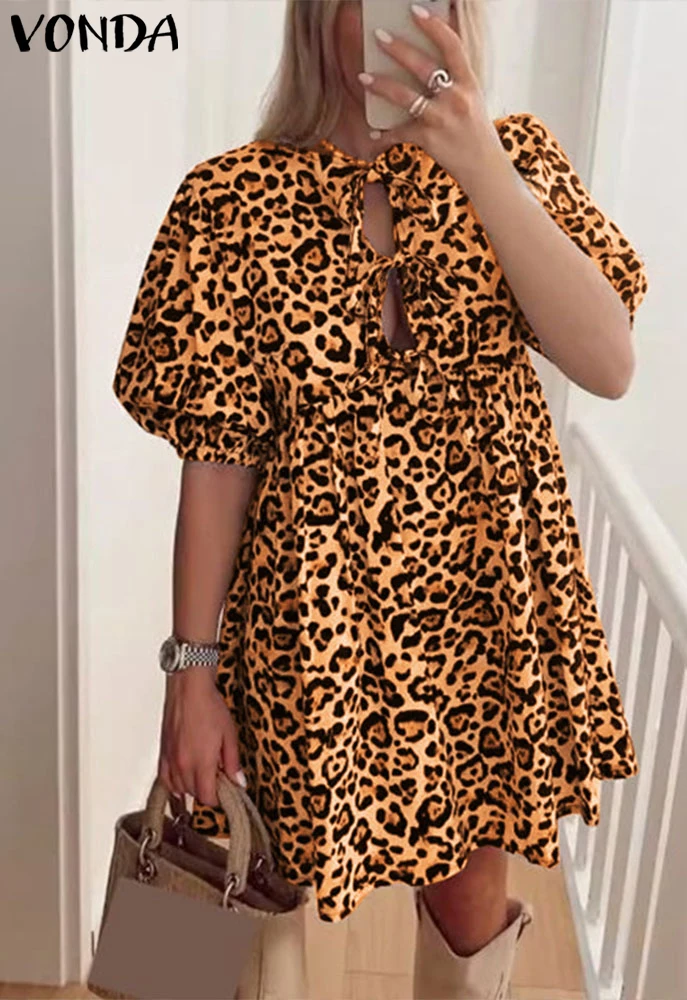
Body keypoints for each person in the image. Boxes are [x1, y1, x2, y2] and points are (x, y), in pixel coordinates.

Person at [111, 1, 649, 997]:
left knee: (471, 904)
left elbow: (609, 362)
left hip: (480, 621)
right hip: (305, 629)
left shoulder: (518, 163)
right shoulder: (229, 204)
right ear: (321, 15)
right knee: (250, 886)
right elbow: (217, 460)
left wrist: (480, 163)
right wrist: (191, 672)